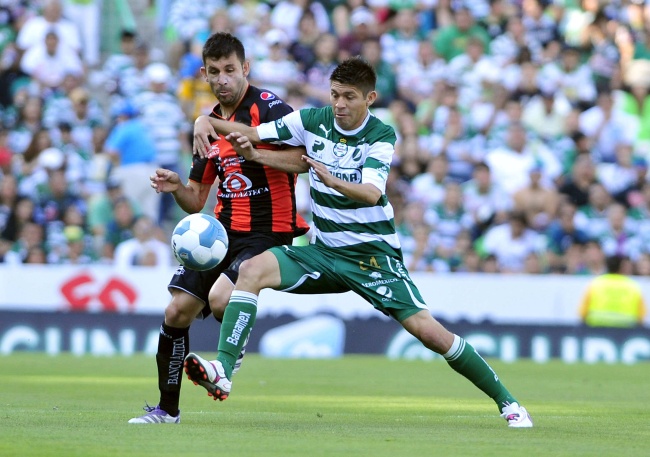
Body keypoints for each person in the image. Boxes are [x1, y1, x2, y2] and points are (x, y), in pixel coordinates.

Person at [186, 57, 533, 428]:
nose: (339, 104)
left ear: (370, 98)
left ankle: (509, 403)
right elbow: (255, 133)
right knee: (251, 270)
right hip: (324, 253)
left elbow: (371, 192)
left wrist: (331, 180)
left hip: (371, 258)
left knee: (430, 333)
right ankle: (223, 370)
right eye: (335, 94)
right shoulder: (311, 120)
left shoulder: (381, 135)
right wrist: (207, 122)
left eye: (349, 96)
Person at [128, 32, 309, 424]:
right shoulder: (207, 126)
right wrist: (177, 187)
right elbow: (196, 199)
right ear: (204, 75)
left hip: (268, 232)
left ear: (246, 68)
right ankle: (167, 411)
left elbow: (303, 160)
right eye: (215, 71)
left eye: (230, 69)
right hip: (223, 234)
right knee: (176, 310)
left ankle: (229, 358)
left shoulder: (270, 108)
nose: (223, 78)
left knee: (222, 298)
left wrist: (254, 153)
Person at [579, 255, 647, 327]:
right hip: (626, 329)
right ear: (621, 268)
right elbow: (641, 316)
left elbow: (583, 313)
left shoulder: (595, 284)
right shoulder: (633, 286)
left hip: (598, 328)